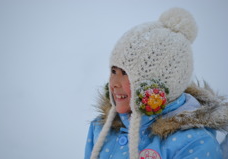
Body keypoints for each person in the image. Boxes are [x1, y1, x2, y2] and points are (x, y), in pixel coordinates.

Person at [84, 8, 228, 159]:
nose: (114, 83)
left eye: (125, 73)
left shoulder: (194, 144)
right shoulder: (101, 129)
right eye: (114, 71)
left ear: (159, 86)